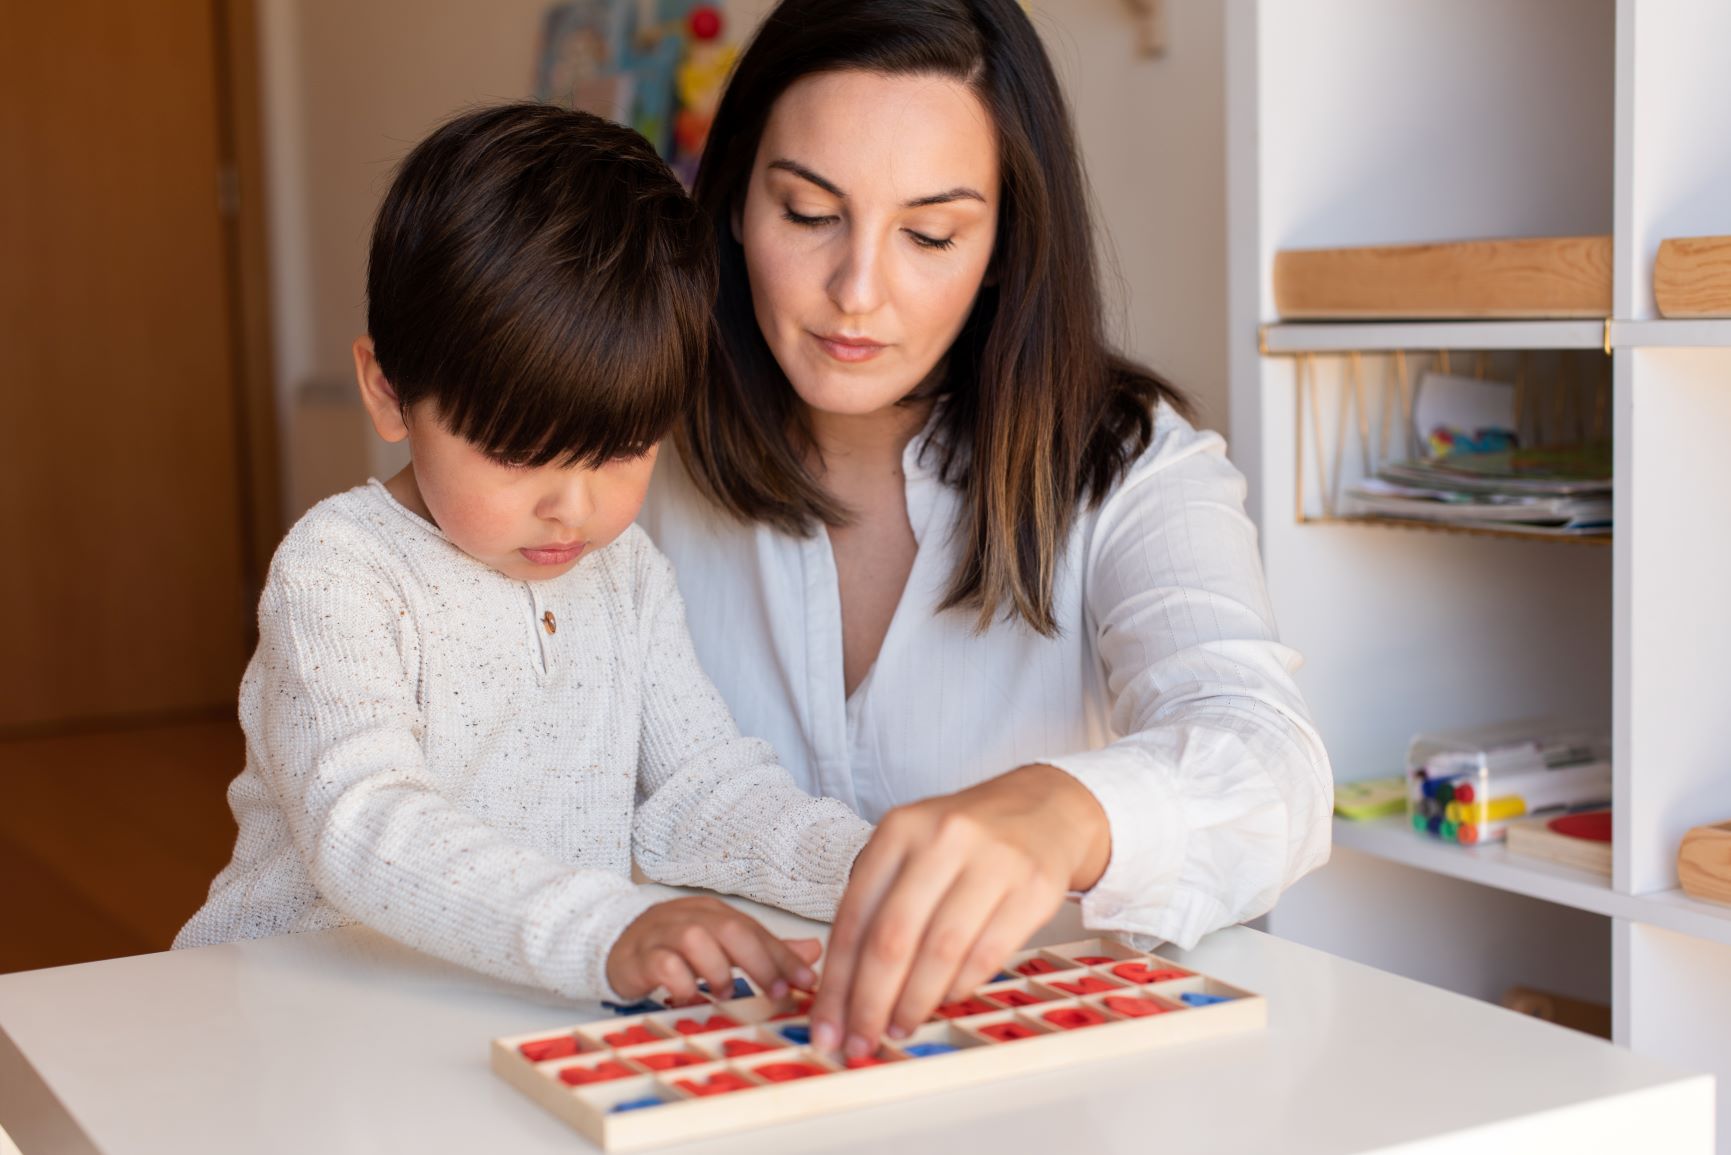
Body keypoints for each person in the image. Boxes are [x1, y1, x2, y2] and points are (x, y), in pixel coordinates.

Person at [636, 0, 1333, 1060]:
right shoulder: (630, 451)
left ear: (1005, 243)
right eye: (809, 213)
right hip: (710, 1067)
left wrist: (1064, 814)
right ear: (733, 201)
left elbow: (1274, 770)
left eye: (929, 234)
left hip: (1034, 1088)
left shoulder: (1131, 466)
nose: (856, 292)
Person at [175, 103, 872, 1004]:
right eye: (516, 453)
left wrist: (868, 867)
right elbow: (365, 823)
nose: (571, 508)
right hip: (298, 1007)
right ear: (388, 392)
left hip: (503, 1007)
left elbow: (700, 790)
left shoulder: (623, 571)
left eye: (622, 451)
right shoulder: (340, 571)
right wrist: (604, 926)